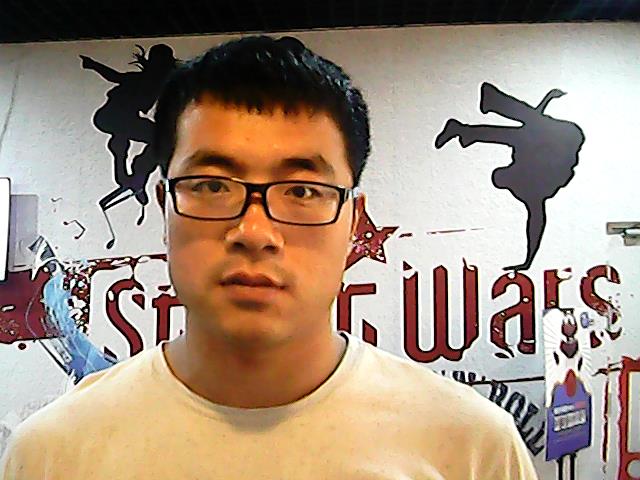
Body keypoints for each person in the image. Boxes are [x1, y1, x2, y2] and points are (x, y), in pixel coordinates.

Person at [1, 36, 538, 479]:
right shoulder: (54, 454)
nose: (254, 232)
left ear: (354, 222)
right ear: (164, 207)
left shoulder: (470, 448)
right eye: (212, 186)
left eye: (302, 191)